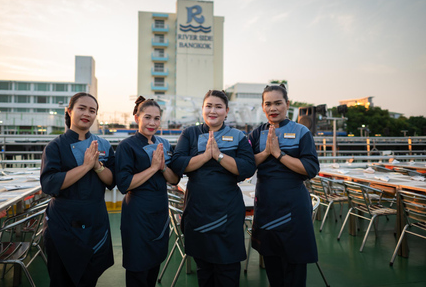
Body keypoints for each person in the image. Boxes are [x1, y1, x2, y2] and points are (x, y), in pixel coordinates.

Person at [171, 90, 256, 287]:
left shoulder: (238, 136)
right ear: (202, 109)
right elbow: (178, 163)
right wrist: (205, 156)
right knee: (205, 271)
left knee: (228, 270)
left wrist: (219, 156)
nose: (213, 110)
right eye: (208, 106)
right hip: (198, 210)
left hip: (228, 211)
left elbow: (247, 168)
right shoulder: (190, 134)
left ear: (226, 111)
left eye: (218, 107)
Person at [40, 92, 115, 287]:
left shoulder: (104, 145)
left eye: (92, 110)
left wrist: (97, 166)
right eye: (82, 108)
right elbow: (49, 184)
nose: (87, 114)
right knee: (62, 280)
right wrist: (85, 166)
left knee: (89, 278)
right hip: (62, 224)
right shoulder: (54, 147)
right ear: (69, 111)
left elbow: (111, 181)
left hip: (95, 220)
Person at [248, 84, 320, 287]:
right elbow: (245, 166)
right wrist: (265, 153)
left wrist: (279, 154)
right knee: (272, 265)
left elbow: (310, 169)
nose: (273, 108)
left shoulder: (301, 131)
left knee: (294, 267)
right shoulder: (255, 135)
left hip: (294, 208)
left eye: (278, 103)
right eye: (268, 103)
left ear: (287, 104)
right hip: (266, 206)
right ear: (263, 107)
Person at [115, 96, 179, 287]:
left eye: (157, 118)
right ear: (137, 118)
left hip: (160, 210)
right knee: (137, 269)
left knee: (154, 264)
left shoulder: (164, 144)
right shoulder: (127, 146)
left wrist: (163, 168)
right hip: (137, 213)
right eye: (147, 117)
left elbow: (174, 179)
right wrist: (152, 168)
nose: (152, 123)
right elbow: (124, 185)